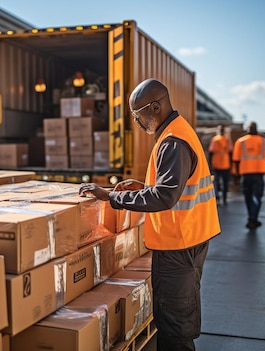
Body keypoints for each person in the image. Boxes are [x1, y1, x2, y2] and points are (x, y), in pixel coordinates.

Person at [79, 78, 220, 351]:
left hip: (180, 247)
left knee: (174, 329)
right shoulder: (176, 132)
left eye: (138, 115)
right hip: (187, 240)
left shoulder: (173, 142)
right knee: (174, 321)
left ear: (155, 107)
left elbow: (165, 196)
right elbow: (174, 188)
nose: (137, 122)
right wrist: (143, 188)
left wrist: (111, 197)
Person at [232, 121, 265, 229]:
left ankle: (251, 217)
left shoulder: (240, 142)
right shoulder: (264, 141)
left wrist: (236, 175)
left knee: (247, 197)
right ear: (257, 129)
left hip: (245, 174)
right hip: (258, 173)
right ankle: (253, 218)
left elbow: (236, 160)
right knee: (256, 196)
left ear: (247, 130)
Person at [208, 125, 233, 205]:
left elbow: (210, 152)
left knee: (216, 183)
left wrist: (210, 164)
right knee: (225, 183)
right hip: (225, 165)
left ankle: (217, 198)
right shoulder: (227, 140)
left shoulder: (215, 140)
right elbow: (231, 153)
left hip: (217, 165)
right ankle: (224, 198)